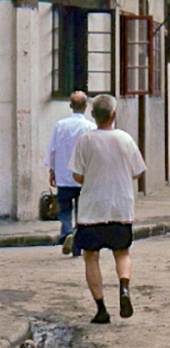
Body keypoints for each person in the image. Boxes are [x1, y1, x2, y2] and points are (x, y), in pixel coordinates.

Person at [67, 95, 146, 324]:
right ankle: (123, 287)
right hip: (120, 207)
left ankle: (101, 309)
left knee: (91, 257)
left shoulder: (85, 140)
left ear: (93, 115)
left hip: (92, 209)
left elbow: (77, 175)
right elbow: (138, 170)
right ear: (114, 115)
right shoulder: (125, 139)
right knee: (122, 252)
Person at [45, 91, 95, 256]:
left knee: (64, 209)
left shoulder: (60, 125)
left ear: (70, 106)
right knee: (82, 212)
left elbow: (52, 149)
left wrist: (52, 170)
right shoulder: (90, 127)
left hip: (64, 176)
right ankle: (76, 240)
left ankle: (66, 232)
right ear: (85, 107)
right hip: (83, 177)